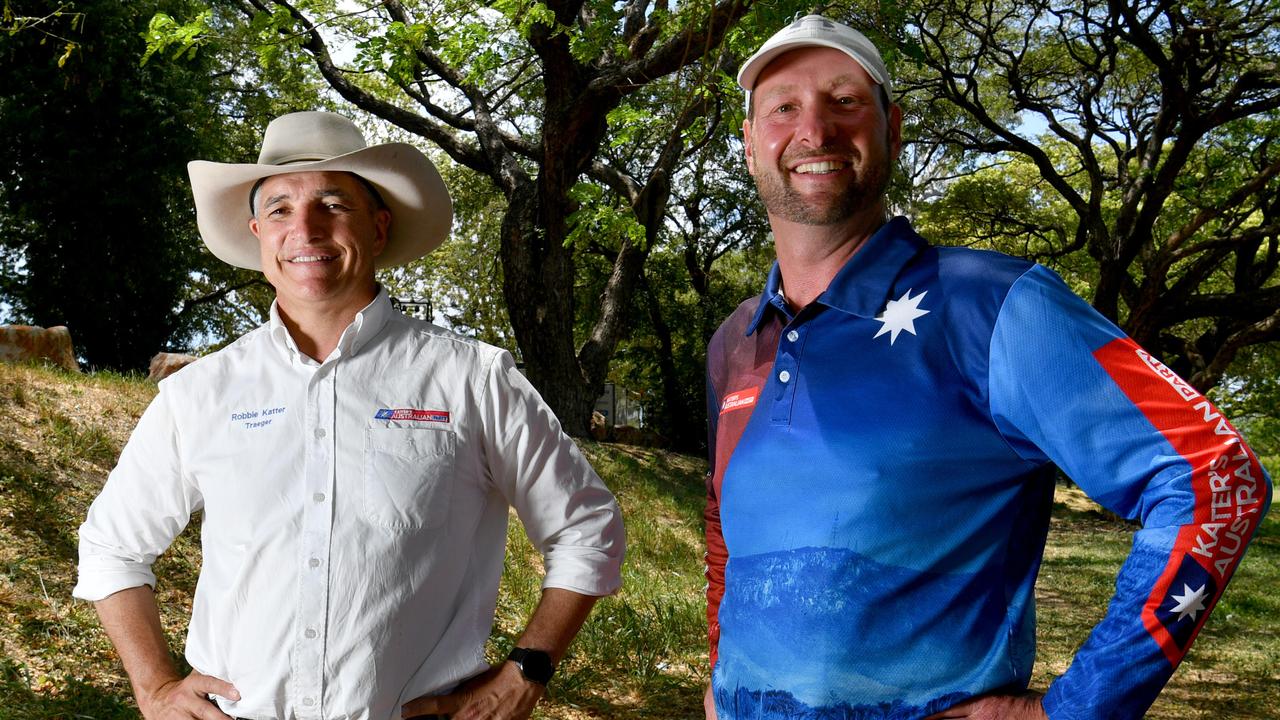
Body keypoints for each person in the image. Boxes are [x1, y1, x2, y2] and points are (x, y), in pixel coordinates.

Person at [703, 14, 1271, 720]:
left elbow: (1216, 475)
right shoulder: (736, 340)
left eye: (845, 100)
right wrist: (719, 676)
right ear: (750, 144)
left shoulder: (992, 305)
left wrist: (1079, 710)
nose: (814, 130)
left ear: (894, 127)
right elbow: (728, 523)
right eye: (784, 106)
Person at [74, 111, 625, 720]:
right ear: (258, 231)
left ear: (379, 227)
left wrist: (527, 672)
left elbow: (586, 527)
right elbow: (111, 548)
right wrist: (153, 687)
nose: (304, 230)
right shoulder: (200, 392)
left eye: (332, 204)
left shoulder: (472, 378)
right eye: (280, 209)